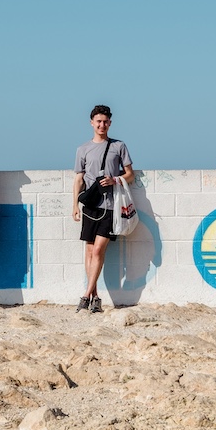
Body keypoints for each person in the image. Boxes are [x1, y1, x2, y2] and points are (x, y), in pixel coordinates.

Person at [71, 104, 135, 314]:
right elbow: (78, 179)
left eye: (105, 121)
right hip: (90, 205)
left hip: (110, 206)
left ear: (110, 123)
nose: (102, 125)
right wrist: (74, 205)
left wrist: (114, 179)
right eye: (98, 121)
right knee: (89, 251)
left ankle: (86, 294)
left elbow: (130, 174)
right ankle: (95, 297)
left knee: (99, 250)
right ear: (92, 123)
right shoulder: (83, 149)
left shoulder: (119, 146)